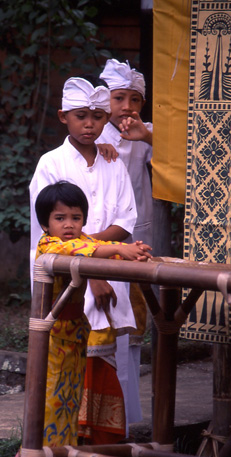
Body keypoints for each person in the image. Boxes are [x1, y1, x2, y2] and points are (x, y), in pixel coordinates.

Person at [29, 76, 145, 451]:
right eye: (82, 116)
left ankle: (100, 446)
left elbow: (126, 220)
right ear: (64, 117)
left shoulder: (113, 161)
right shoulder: (51, 163)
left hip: (111, 270)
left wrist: (99, 257)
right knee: (62, 369)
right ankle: (56, 449)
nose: (90, 124)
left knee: (106, 358)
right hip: (68, 281)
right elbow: (50, 231)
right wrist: (92, 270)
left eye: (97, 116)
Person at [13, 181, 151, 457]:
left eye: (75, 217)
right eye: (60, 218)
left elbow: (98, 252)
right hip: (50, 336)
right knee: (51, 400)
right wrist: (118, 247)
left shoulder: (84, 241)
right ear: (46, 223)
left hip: (76, 334)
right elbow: (85, 250)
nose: (69, 225)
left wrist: (134, 253)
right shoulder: (49, 246)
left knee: (70, 401)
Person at [98, 58, 153, 431]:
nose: (128, 107)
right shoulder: (94, 133)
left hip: (139, 237)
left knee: (132, 325)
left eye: (135, 100)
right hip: (102, 237)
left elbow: (182, 154)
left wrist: (145, 136)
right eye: (120, 98)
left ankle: (130, 420)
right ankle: (103, 421)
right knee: (104, 324)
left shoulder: (145, 134)